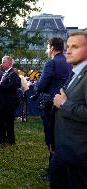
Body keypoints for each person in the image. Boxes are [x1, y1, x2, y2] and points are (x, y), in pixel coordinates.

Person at [51, 32, 87, 188]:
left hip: (78, 154)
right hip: (64, 149)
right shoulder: (75, 73)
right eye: (68, 46)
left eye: (75, 47)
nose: (68, 51)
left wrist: (64, 104)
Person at [33, 37, 72, 181]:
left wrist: (36, 85)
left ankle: (54, 172)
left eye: (47, 46)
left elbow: (42, 85)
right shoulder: (68, 61)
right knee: (61, 137)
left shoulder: (51, 62)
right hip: (66, 104)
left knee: (51, 139)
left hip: (51, 105)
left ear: (51, 47)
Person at [0, 55, 21, 145]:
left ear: (9, 63)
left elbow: (15, 85)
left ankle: (10, 140)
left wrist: (0, 85)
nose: (2, 64)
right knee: (1, 121)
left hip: (9, 103)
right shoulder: (6, 73)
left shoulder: (13, 73)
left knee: (9, 122)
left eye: (3, 62)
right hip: (3, 102)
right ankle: (3, 139)